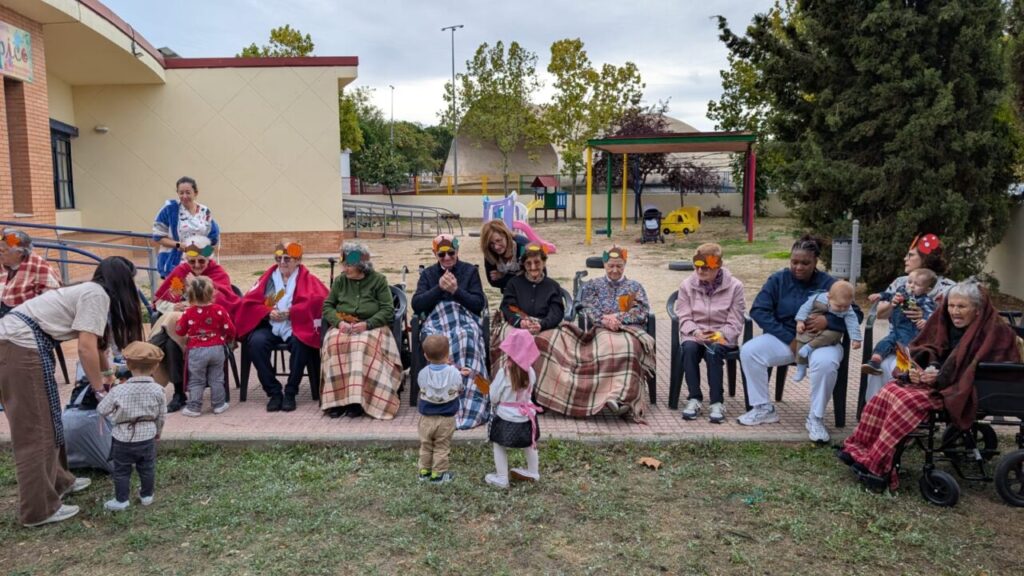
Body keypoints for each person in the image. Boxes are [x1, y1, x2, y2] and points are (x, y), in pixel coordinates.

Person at [0, 256, 143, 527]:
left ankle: (60, 481)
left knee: (50, 419)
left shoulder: (90, 292)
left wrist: (109, 379)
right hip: (18, 346)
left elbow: (98, 347)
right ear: (123, 281)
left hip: (24, 343)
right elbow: (85, 348)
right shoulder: (96, 295)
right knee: (35, 430)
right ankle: (38, 510)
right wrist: (100, 392)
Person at [840, 281, 1021, 490]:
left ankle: (878, 464)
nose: (954, 311)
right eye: (951, 305)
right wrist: (925, 369)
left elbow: (974, 368)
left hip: (966, 387)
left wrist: (938, 377)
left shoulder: (994, 332)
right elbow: (932, 348)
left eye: (961, 306)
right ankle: (859, 448)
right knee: (890, 390)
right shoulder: (947, 322)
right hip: (942, 380)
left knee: (906, 401)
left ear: (978, 310)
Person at [739, 235, 862, 443]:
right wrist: (789, 339)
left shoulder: (830, 284)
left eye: (805, 263)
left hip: (822, 341)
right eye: (794, 262)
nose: (798, 267)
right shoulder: (778, 280)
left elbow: (856, 314)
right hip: (786, 339)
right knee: (750, 351)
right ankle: (763, 408)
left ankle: (815, 418)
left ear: (815, 262)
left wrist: (828, 321)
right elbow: (759, 310)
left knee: (826, 363)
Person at [525, 245, 653, 420]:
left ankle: (626, 399)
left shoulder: (634, 286)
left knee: (630, 348)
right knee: (607, 347)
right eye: (611, 266)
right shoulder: (594, 285)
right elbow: (587, 307)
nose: (615, 270)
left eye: (619, 266)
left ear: (625, 265)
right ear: (604, 265)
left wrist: (619, 318)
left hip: (629, 329)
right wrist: (605, 320)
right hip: (602, 329)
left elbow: (642, 310)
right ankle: (606, 396)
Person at [234, 241, 328, 413]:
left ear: (298, 260)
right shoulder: (270, 279)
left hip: (296, 324)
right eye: (279, 258)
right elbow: (254, 302)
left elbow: (317, 301)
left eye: (287, 258)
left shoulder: (307, 279)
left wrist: (292, 312)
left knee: (301, 344)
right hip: (270, 324)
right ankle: (274, 392)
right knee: (256, 343)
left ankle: (291, 391)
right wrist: (268, 312)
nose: (282, 262)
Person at [150, 235, 240, 412]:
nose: (197, 265)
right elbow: (164, 299)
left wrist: (197, 290)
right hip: (183, 328)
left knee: (170, 338)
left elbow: (225, 301)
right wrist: (174, 305)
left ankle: (152, 349)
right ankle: (179, 392)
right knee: (171, 338)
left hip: (210, 330)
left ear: (208, 259)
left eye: (201, 261)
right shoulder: (181, 272)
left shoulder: (217, 273)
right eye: (192, 261)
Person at [864, 233, 957, 401]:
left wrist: (928, 318)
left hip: (927, 349)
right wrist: (893, 303)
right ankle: (875, 410)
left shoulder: (949, 288)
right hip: (897, 342)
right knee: (881, 366)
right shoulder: (901, 282)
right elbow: (880, 313)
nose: (905, 259)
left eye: (910, 255)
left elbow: (955, 321)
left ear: (925, 259)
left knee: (901, 366)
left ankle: (902, 410)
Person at [412, 234, 489, 429]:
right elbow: (417, 304)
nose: (447, 257)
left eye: (451, 253)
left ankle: (471, 399)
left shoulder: (469, 271)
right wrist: (439, 288)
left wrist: (456, 291)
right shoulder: (428, 274)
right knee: (438, 341)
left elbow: (478, 304)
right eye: (442, 254)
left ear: (457, 251)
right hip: (437, 320)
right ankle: (440, 401)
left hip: (464, 318)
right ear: (435, 254)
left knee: (466, 337)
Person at [320, 243, 402, 419]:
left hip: (373, 326)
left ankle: (357, 401)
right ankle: (337, 400)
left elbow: (388, 310)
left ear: (362, 265)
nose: (345, 268)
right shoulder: (340, 281)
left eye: (349, 265)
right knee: (334, 342)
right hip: (344, 325)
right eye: (344, 264)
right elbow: (328, 306)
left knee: (361, 345)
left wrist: (367, 324)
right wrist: (339, 323)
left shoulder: (378, 280)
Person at [673, 243, 746, 423]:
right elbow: (683, 315)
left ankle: (717, 402)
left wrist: (720, 334)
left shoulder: (735, 286)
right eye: (696, 265)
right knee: (688, 348)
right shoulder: (686, 285)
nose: (700, 270)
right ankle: (694, 398)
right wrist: (695, 331)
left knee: (713, 350)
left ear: (718, 265)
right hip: (695, 333)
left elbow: (736, 320)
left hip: (722, 335)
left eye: (706, 267)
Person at [96, 341, 167, 511]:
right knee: (147, 468)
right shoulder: (159, 390)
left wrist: (115, 414)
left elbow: (102, 409)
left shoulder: (118, 390)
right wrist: (158, 432)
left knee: (121, 470)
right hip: (147, 437)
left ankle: (121, 500)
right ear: (156, 366)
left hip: (122, 439)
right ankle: (147, 496)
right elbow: (161, 416)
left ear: (127, 365)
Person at [485, 328, 543, 489]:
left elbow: (493, 397)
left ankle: (502, 477)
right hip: (526, 417)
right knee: (530, 444)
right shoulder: (530, 372)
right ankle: (533, 472)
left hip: (506, 419)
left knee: (498, 444)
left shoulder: (504, 373)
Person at [174, 276, 236, 417]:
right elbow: (231, 329)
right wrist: (226, 339)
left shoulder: (188, 312)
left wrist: (179, 322)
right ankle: (219, 405)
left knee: (196, 380)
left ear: (191, 295)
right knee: (217, 378)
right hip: (217, 348)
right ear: (212, 293)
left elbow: (180, 331)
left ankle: (194, 407)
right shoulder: (219, 310)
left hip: (196, 350)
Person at [862, 268, 938, 375]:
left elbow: (931, 313)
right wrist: (880, 295)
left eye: (917, 284)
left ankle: (904, 369)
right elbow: (890, 295)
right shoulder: (902, 291)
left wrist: (925, 320)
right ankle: (875, 362)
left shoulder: (925, 300)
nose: (911, 286)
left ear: (927, 289)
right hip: (896, 330)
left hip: (910, 332)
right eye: (909, 282)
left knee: (905, 347)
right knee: (884, 342)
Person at [417, 334, 469, 484]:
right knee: (441, 446)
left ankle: (424, 472)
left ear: (426, 356)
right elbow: (459, 388)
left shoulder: (422, 373)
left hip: (426, 418)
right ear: (448, 354)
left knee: (426, 445)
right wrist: (461, 376)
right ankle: (438, 475)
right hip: (446, 418)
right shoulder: (454, 372)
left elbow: (423, 387)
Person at [792, 280, 863, 382]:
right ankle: (801, 368)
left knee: (834, 335)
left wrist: (856, 339)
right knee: (800, 340)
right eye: (838, 306)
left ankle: (810, 346)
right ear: (829, 298)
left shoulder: (848, 309)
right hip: (810, 327)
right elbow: (805, 308)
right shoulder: (818, 299)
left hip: (829, 331)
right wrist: (800, 321)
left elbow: (853, 323)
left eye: (846, 306)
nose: (842, 309)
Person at [152, 176, 220, 278]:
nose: (184, 196)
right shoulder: (170, 210)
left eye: (188, 192)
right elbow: (158, 237)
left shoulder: (204, 211)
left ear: (195, 193)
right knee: (177, 288)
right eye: (181, 193)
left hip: (199, 266)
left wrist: (204, 257)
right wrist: (179, 245)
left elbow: (213, 239)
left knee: (199, 287)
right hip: (175, 265)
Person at [498, 243, 564, 334]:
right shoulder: (513, 284)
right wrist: (520, 322)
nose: (533, 267)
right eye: (528, 263)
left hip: (545, 327)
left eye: (537, 262)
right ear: (524, 265)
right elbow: (507, 307)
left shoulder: (553, 286)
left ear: (544, 263)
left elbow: (556, 312)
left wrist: (542, 325)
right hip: (518, 326)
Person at [0, 228, 61, 317]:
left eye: (2, 251)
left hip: (26, 315)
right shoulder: (4, 263)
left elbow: (52, 302)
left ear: (19, 253)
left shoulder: (40, 268)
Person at [480, 220, 530, 290]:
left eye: (498, 240)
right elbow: (493, 281)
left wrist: (503, 275)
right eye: (491, 243)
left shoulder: (523, 247)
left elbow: (534, 276)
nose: (496, 247)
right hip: (509, 292)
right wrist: (519, 275)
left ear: (506, 235)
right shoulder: (489, 251)